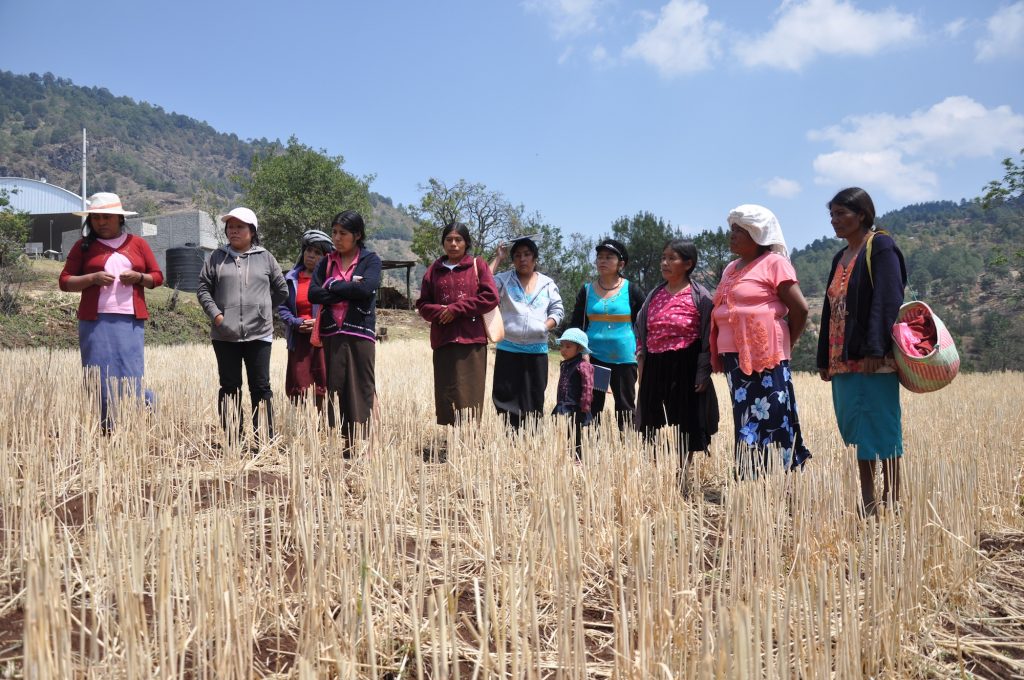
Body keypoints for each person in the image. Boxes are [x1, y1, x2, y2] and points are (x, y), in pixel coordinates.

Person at [817, 188, 907, 515]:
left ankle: (893, 496)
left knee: (881, 423)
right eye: (832, 214)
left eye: (841, 213)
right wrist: (823, 359)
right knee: (856, 427)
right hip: (842, 357)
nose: (834, 220)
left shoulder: (880, 246)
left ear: (863, 215)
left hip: (872, 356)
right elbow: (829, 310)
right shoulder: (839, 256)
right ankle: (868, 498)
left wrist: (874, 346)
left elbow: (886, 299)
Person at [710, 205, 811, 478]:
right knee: (745, 418)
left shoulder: (774, 263)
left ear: (758, 233)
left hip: (766, 357)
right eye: (732, 230)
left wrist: (785, 343)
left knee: (772, 415)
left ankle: (779, 478)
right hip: (734, 357)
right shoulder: (731, 268)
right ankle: (749, 476)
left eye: (739, 231)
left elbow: (800, 309)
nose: (731, 236)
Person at [58, 192, 163, 431]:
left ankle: (137, 416)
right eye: (96, 218)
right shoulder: (83, 246)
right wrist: (91, 278)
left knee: (130, 372)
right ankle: (105, 425)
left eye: (106, 217)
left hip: (130, 319)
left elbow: (157, 277)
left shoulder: (138, 244)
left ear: (119, 218)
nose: (101, 222)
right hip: (94, 320)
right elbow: (65, 282)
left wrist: (139, 277)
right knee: (98, 375)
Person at [196, 207, 287, 446]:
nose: (233, 230)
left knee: (261, 387)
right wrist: (217, 317)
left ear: (252, 231)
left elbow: (282, 290)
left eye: (240, 227)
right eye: (230, 227)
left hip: (259, 334)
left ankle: (263, 441)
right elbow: (203, 289)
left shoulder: (266, 257)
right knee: (229, 387)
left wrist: (263, 311)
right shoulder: (217, 257)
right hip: (224, 335)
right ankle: (233, 441)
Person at [635, 239, 718, 483]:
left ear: (688, 264)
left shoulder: (700, 297)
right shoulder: (655, 294)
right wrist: (641, 360)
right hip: (655, 363)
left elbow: (707, 337)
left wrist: (703, 372)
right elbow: (641, 330)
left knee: (685, 419)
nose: (665, 263)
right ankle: (654, 473)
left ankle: (682, 472)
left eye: (672, 258)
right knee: (650, 418)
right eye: (663, 257)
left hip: (686, 363)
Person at [308, 211, 381, 452]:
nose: (337, 238)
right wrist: (347, 287)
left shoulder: (370, 260)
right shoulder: (326, 262)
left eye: (343, 233)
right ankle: (347, 443)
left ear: (357, 235)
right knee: (336, 387)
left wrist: (332, 285)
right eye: (334, 232)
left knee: (362, 386)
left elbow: (367, 289)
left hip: (359, 331)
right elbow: (314, 294)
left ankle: (370, 444)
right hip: (332, 332)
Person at [415, 222, 499, 427]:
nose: (453, 244)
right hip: (444, 341)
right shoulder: (434, 270)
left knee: (470, 394)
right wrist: (442, 312)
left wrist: (456, 309)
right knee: (448, 393)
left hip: (471, 340)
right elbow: (423, 304)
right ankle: (453, 442)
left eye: (458, 239)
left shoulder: (478, 266)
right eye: (449, 239)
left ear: (466, 243)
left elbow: (490, 297)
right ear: (443, 243)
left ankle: (469, 443)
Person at [488, 236, 564, 429]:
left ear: (535, 258)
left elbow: (558, 310)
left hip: (536, 351)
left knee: (534, 397)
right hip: (508, 349)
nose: (522, 259)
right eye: (518, 255)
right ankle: (510, 435)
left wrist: (545, 326)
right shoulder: (503, 280)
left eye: (527, 254)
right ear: (513, 260)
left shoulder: (547, 284)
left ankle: (530, 440)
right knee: (505, 396)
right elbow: (483, 286)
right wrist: (498, 258)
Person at [568, 238, 644, 430]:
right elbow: (576, 325)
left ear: (621, 263)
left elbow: (644, 322)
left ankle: (628, 447)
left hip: (625, 359)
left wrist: (643, 351)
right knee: (592, 404)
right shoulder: (586, 291)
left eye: (609, 257)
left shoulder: (632, 290)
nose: (602, 261)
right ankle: (589, 445)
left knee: (625, 406)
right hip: (594, 358)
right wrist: (582, 351)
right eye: (600, 257)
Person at [279, 229, 334, 408]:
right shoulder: (291, 280)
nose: (311, 255)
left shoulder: (330, 282)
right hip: (299, 340)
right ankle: (302, 425)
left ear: (326, 257)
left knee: (323, 383)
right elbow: (282, 307)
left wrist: (320, 323)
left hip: (323, 340)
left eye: (317, 252)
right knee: (299, 384)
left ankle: (324, 424)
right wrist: (296, 323)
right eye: (308, 250)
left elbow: (337, 309)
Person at [552, 328, 594, 460]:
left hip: (576, 408)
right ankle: (561, 457)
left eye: (568, 346)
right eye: (562, 346)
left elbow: (588, 387)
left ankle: (577, 458)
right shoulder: (565, 365)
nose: (563, 350)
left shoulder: (583, 366)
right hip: (563, 405)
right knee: (560, 433)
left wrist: (585, 406)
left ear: (579, 348)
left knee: (576, 434)